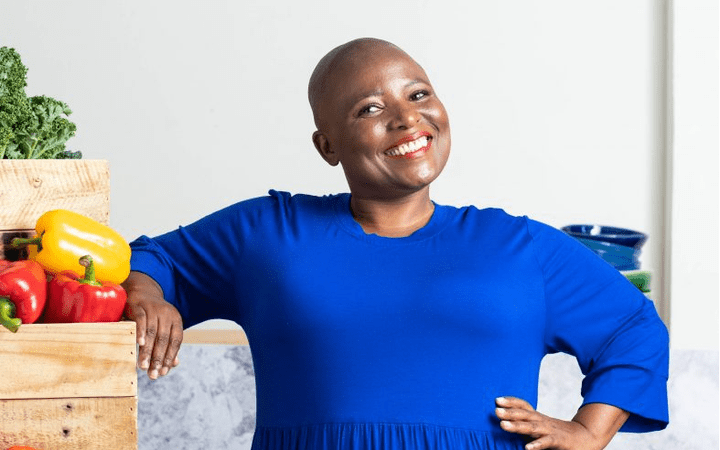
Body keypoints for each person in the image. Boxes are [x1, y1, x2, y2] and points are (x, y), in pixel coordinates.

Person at [123, 37, 669, 450]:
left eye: (418, 94)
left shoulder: (519, 247)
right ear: (327, 145)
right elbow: (150, 258)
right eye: (370, 108)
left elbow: (633, 327)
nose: (408, 118)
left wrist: (588, 432)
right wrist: (147, 295)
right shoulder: (267, 234)